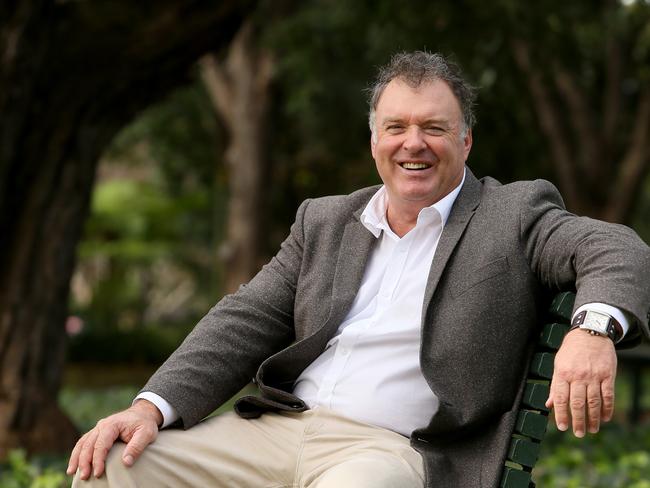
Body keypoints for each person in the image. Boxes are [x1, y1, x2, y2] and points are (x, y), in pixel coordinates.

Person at [68, 51, 650, 488]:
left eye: (434, 128)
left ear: (466, 141)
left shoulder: (512, 215)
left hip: (385, 454)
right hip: (272, 433)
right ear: (374, 139)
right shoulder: (324, 221)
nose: (412, 144)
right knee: (113, 469)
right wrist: (147, 408)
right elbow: (243, 320)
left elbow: (615, 246)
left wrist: (593, 328)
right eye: (396, 127)